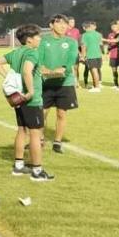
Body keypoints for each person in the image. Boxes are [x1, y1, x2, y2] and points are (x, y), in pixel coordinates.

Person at [0, 24, 54, 182]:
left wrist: (8, 78)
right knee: (35, 133)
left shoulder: (16, 52)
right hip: (31, 100)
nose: (40, 39)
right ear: (29, 40)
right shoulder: (32, 53)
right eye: (37, 36)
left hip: (18, 97)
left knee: (21, 130)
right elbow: (27, 71)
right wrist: (31, 91)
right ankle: (37, 171)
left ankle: (18, 167)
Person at [39, 14, 79, 154]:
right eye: (59, 23)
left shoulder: (72, 42)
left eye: (65, 23)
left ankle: (57, 142)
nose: (63, 26)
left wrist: (63, 69)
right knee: (42, 113)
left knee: (61, 114)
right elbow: (39, 59)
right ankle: (40, 140)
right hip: (46, 83)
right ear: (51, 25)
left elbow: (71, 60)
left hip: (65, 83)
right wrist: (42, 68)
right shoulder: (43, 41)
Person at [80, 21, 103, 92]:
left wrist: (82, 56)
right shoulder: (98, 34)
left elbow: (84, 46)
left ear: (84, 28)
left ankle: (97, 87)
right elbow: (100, 45)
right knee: (95, 70)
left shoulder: (85, 35)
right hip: (98, 55)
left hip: (91, 55)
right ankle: (95, 85)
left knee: (94, 71)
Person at [103, 21, 119, 89]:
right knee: (114, 70)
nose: (113, 28)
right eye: (112, 27)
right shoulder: (110, 35)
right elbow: (109, 45)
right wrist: (107, 53)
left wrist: (104, 39)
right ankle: (116, 84)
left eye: (114, 26)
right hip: (113, 55)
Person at [66, 17, 81, 87]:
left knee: (76, 68)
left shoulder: (76, 30)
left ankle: (77, 82)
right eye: (71, 22)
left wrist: (80, 52)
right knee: (67, 67)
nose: (73, 23)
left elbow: (78, 41)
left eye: (74, 22)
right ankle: (68, 81)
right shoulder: (64, 30)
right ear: (68, 22)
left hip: (75, 52)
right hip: (66, 52)